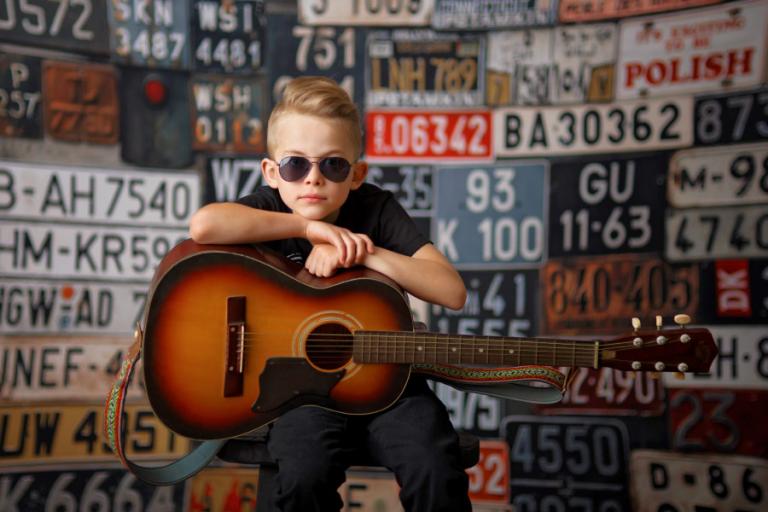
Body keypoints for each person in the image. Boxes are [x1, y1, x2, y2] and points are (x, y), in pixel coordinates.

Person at [189, 76, 470, 511]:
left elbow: (452, 292)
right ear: (271, 172)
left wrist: (364, 253)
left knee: (433, 465)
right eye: (295, 166)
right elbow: (203, 226)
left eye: (333, 165)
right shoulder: (272, 207)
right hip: (300, 391)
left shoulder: (375, 209)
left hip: (390, 383)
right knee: (304, 474)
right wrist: (307, 228)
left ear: (357, 174)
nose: (313, 180)